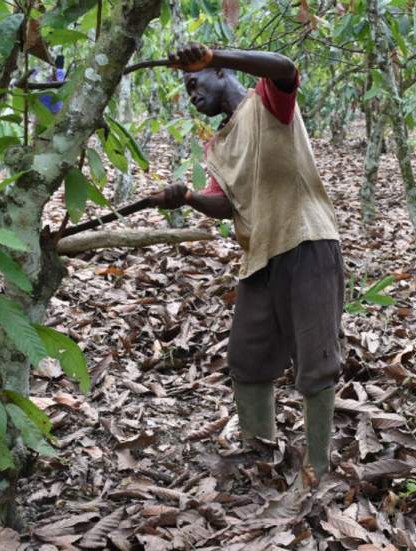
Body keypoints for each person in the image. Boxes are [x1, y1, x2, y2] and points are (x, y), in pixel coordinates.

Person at [150, 43, 344, 479]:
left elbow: (286, 66)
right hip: (259, 255)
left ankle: (318, 467)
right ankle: (259, 451)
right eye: (185, 87)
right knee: (247, 359)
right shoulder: (218, 145)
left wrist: (216, 53)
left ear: (219, 73)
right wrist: (185, 198)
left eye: (195, 80)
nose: (191, 93)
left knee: (316, 360)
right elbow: (226, 204)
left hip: (305, 240)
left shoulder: (268, 102)